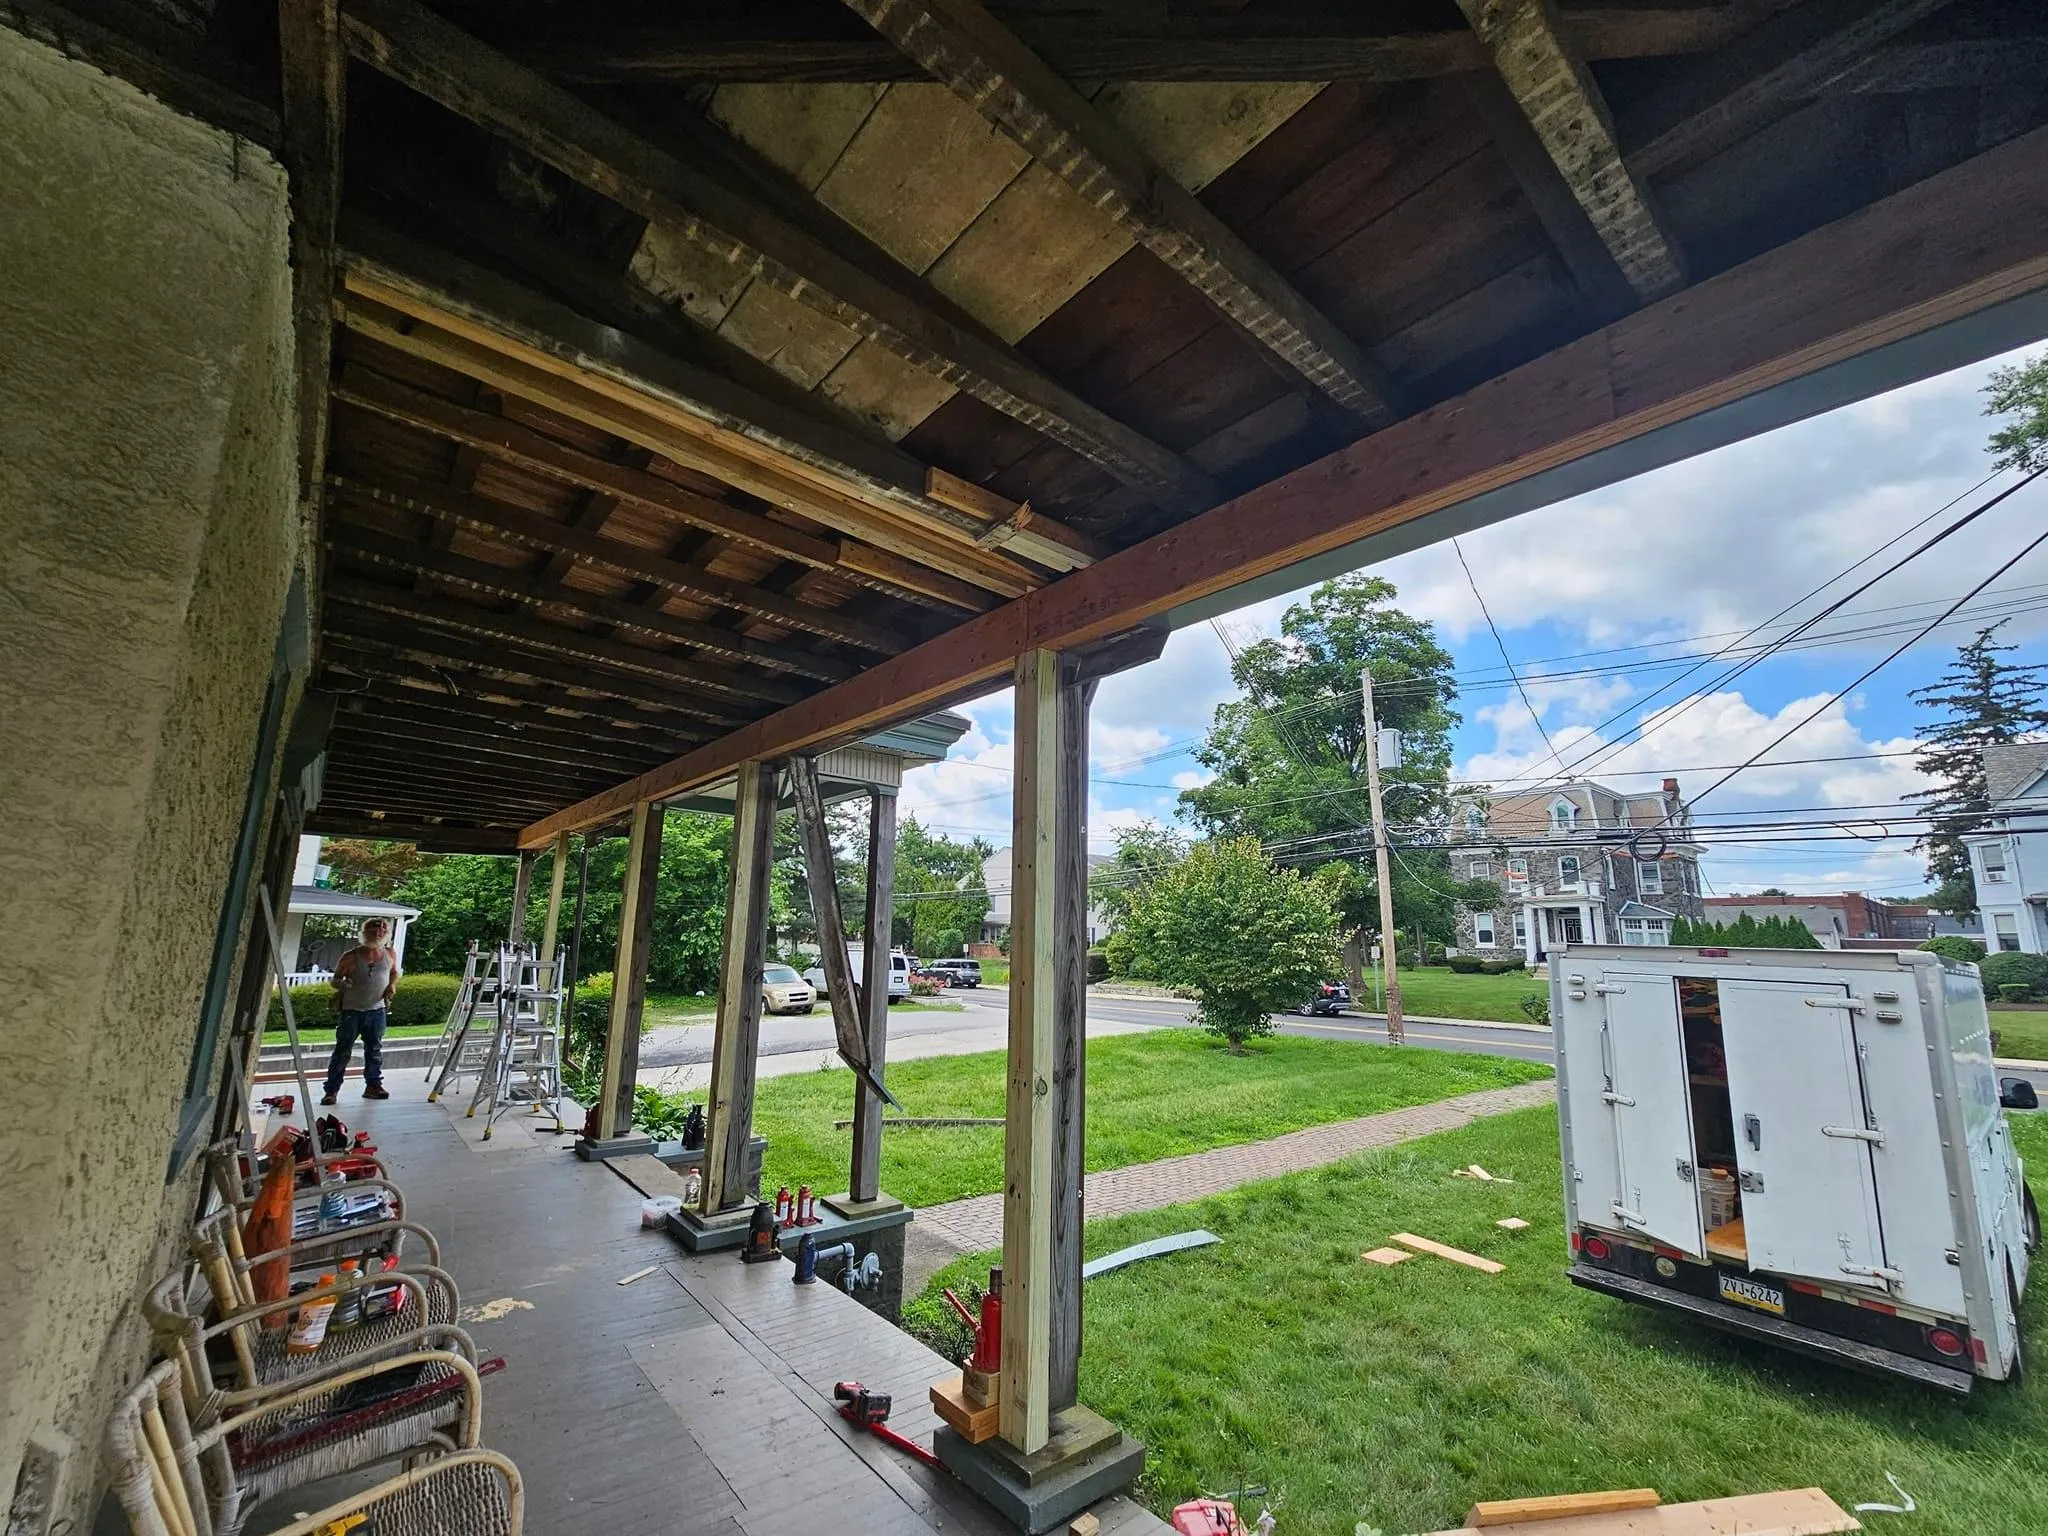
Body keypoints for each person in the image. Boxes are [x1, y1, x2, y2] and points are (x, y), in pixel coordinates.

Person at [322, 917, 400, 1104]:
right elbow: (334, 980)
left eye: (382, 930)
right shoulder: (351, 956)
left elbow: (394, 972)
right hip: (351, 1011)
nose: (378, 932)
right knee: (342, 1051)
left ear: (387, 935)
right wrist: (342, 982)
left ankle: (373, 1086)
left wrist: (392, 986)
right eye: (373, 929)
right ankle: (331, 1091)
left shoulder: (389, 954)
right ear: (364, 933)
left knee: (374, 1050)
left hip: (377, 1011)